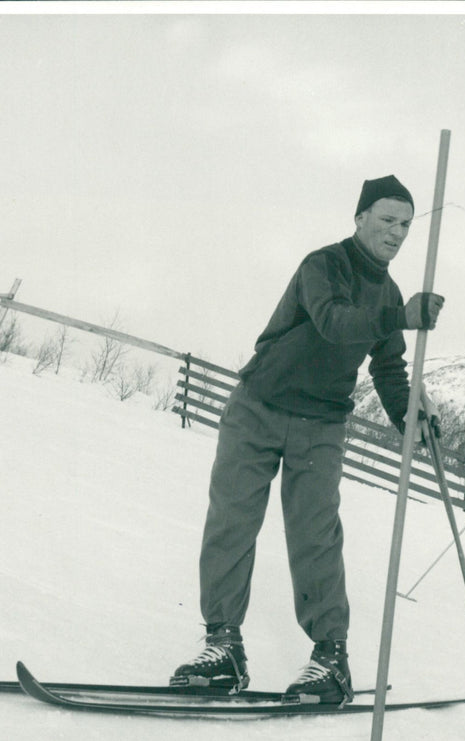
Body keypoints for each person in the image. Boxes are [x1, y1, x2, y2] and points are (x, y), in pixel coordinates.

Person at [169, 175, 445, 703]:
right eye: (387, 219)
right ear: (359, 217)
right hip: (259, 406)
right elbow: (332, 321)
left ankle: (330, 661)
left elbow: (389, 369)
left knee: (315, 536)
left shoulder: (388, 293)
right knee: (232, 522)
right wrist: (401, 316)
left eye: (406, 224)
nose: (397, 231)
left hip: (321, 424)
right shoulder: (323, 265)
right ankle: (222, 647)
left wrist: (409, 418)